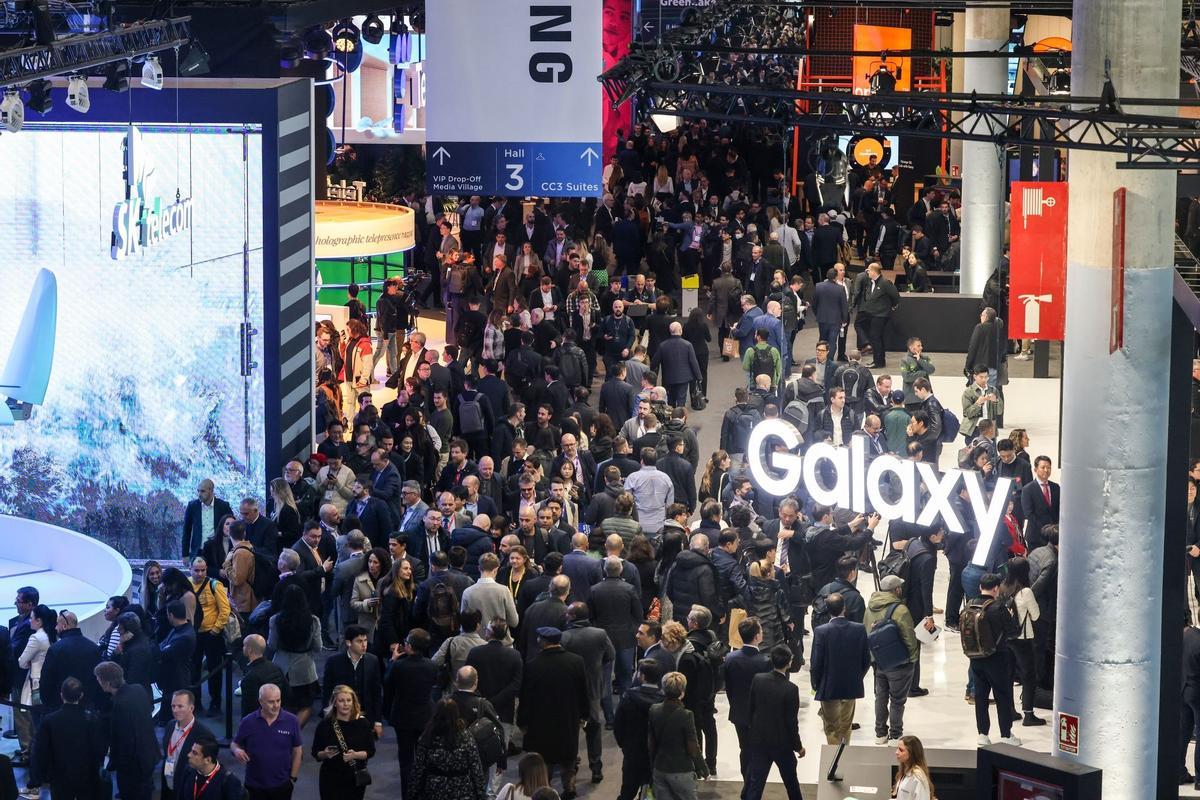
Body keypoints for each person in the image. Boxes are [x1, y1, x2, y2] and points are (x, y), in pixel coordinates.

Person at [518, 627, 589, 798]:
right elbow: (583, 692)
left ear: (543, 642)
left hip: (541, 722)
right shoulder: (576, 661)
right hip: (568, 719)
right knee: (568, 756)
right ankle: (569, 786)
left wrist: (522, 722)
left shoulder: (533, 666)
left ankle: (544, 788)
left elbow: (525, 697)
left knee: (545, 758)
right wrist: (584, 715)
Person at [560, 603, 615, 785]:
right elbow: (610, 655)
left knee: (570, 730)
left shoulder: (565, 636)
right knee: (594, 727)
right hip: (593, 688)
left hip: (570, 691)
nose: (565, 615)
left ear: (573, 616)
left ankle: (571, 767)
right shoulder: (600, 634)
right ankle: (596, 768)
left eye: (568, 613)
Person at [966, 572, 1022, 747]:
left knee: (981, 697)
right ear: (996, 588)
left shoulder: (970, 605)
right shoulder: (999, 608)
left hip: (975, 658)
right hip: (997, 658)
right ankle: (1005, 734)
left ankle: (983, 734)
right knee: (1002, 696)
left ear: (980, 587)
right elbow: (1014, 631)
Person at [863, 575, 919, 746]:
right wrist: (912, 658)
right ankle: (895, 735)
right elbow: (909, 637)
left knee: (880, 697)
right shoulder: (900, 610)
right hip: (899, 663)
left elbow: (866, 632)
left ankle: (880, 733)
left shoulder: (870, 607)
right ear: (897, 590)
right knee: (897, 700)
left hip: (879, 662)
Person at [743, 645, 804, 800]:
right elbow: (791, 723)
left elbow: (750, 709)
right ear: (789, 662)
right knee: (791, 783)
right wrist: (798, 747)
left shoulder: (758, 679)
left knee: (756, 784)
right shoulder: (791, 689)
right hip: (781, 744)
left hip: (759, 741)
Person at [810, 593, 871, 745]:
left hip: (829, 687)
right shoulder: (859, 629)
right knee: (845, 726)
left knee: (831, 728)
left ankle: (833, 763)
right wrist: (856, 677)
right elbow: (866, 660)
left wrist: (816, 684)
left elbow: (816, 662)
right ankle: (844, 760)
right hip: (851, 686)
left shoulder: (821, 631)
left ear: (828, 610)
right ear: (844, 608)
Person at [31, 676, 105, 800]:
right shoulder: (92, 719)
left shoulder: (49, 720)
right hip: (87, 775)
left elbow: (40, 751)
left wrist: (36, 778)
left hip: (59, 776)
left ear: (61, 695)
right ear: (81, 695)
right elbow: (99, 748)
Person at [95, 661, 159, 800]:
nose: (98, 683)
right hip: (149, 755)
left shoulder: (119, 705)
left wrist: (112, 764)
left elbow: (123, 740)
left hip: (133, 766)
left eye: (99, 680)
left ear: (107, 683)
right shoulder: (138, 689)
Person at [385, 628, 439, 792]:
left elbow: (387, 683)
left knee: (406, 760)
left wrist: (392, 661)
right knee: (424, 758)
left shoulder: (399, 666)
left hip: (403, 718)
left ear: (410, 646)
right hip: (425, 717)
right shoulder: (432, 665)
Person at [231, 683, 304, 800]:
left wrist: (292, 778)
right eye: (271, 702)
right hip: (254, 786)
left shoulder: (292, 721)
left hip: (282, 785)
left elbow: (297, 751)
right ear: (260, 701)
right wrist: (237, 750)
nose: (276, 705)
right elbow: (235, 743)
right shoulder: (248, 722)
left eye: (278, 701)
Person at [722, 616, 772, 785]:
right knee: (758, 750)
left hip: (739, 712)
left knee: (744, 748)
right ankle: (754, 784)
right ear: (757, 636)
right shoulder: (766, 662)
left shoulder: (730, 658)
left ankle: (747, 782)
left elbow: (728, 688)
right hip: (761, 715)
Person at [410, 698, 488, 800]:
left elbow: (418, 770)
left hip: (434, 790)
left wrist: (412, 793)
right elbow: (476, 769)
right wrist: (481, 794)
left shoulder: (427, 738)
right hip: (462, 791)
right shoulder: (466, 737)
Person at [268, 584, 323, 726]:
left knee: (279, 705)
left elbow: (272, 645)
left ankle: (280, 734)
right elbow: (317, 647)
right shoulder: (313, 621)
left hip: (281, 668)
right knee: (305, 706)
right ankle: (294, 735)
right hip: (305, 670)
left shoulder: (275, 620)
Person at [648, 671, 707, 799]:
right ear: (682, 692)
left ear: (664, 690)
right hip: (681, 769)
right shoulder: (686, 715)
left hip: (660, 768)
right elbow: (692, 746)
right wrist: (703, 768)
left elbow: (651, 743)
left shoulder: (654, 710)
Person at [1000, 558, 1045, 727]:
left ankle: (1010, 711)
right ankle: (1028, 713)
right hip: (1022, 638)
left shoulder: (1003, 587)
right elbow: (1036, 615)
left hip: (1006, 638)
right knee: (1028, 676)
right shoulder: (1025, 591)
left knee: (1008, 675)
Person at [311, 685, 376, 800]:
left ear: (353, 702)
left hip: (354, 779)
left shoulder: (363, 724)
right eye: (341, 701)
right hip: (331, 779)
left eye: (348, 700)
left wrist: (355, 755)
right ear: (335, 703)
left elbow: (370, 751)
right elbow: (316, 753)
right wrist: (325, 754)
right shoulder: (325, 725)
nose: (346, 704)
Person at [613, 658, 665, 800]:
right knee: (652, 794)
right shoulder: (664, 701)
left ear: (642, 676)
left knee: (627, 791)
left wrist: (625, 745)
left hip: (633, 753)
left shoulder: (628, 697)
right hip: (656, 756)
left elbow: (618, 725)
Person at [321, 625, 383, 738]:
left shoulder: (372, 660)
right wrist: (327, 714)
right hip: (340, 715)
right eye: (359, 641)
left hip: (365, 716)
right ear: (349, 643)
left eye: (365, 640)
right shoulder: (334, 662)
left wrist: (378, 721)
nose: (364, 645)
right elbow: (327, 690)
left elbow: (376, 693)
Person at [189, 557, 232, 716]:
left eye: (203, 570)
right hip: (193, 634)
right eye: (197, 570)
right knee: (193, 670)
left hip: (211, 634)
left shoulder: (215, 585)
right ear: (190, 569)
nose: (200, 573)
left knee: (215, 670)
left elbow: (224, 610)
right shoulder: (186, 585)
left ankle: (215, 703)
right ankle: (196, 702)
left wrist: (215, 630)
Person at [177, 737, 245, 800]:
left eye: (194, 753)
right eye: (191, 751)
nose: (189, 755)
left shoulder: (229, 781)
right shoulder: (189, 770)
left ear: (208, 760)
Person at [241, 634, 287, 721]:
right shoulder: (276, 668)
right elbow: (287, 694)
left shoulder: (250, 677)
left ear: (250, 649)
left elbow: (248, 710)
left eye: (244, 645)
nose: (243, 648)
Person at [184, 479, 233, 559]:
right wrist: (185, 554)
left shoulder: (223, 506)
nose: (199, 494)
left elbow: (232, 528)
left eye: (202, 491)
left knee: (217, 571)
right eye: (198, 491)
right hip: (198, 551)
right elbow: (186, 531)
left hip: (218, 551)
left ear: (211, 490)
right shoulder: (192, 506)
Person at [893, 735, 935, 800]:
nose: (896, 752)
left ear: (911, 753)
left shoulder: (918, 777)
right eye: (897, 748)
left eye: (901, 750)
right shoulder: (904, 771)